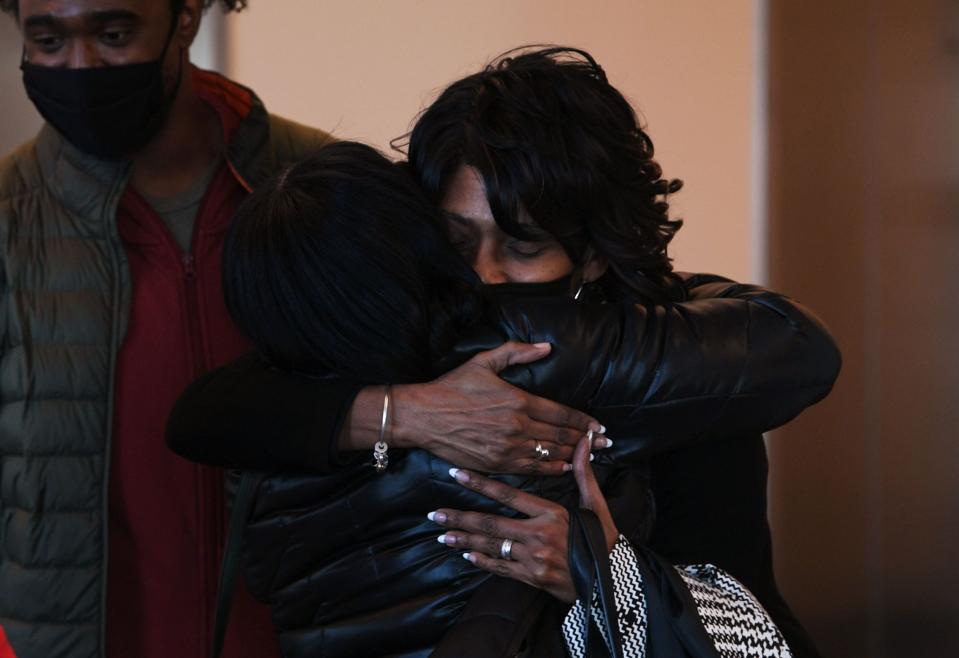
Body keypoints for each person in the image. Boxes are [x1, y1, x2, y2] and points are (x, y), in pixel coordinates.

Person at [168, 46, 835, 656]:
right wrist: (404, 413)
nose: (483, 276)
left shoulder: (675, 381)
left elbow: (749, 631)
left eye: (522, 248)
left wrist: (600, 574)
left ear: (594, 254)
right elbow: (210, 411)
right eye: (457, 241)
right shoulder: (395, 337)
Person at [0, 1, 338, 657]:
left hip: (296, 636)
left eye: (114, 33)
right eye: (47, 40)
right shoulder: (10, 217)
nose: (81, 64)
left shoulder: (317, 182)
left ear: (185, 17)